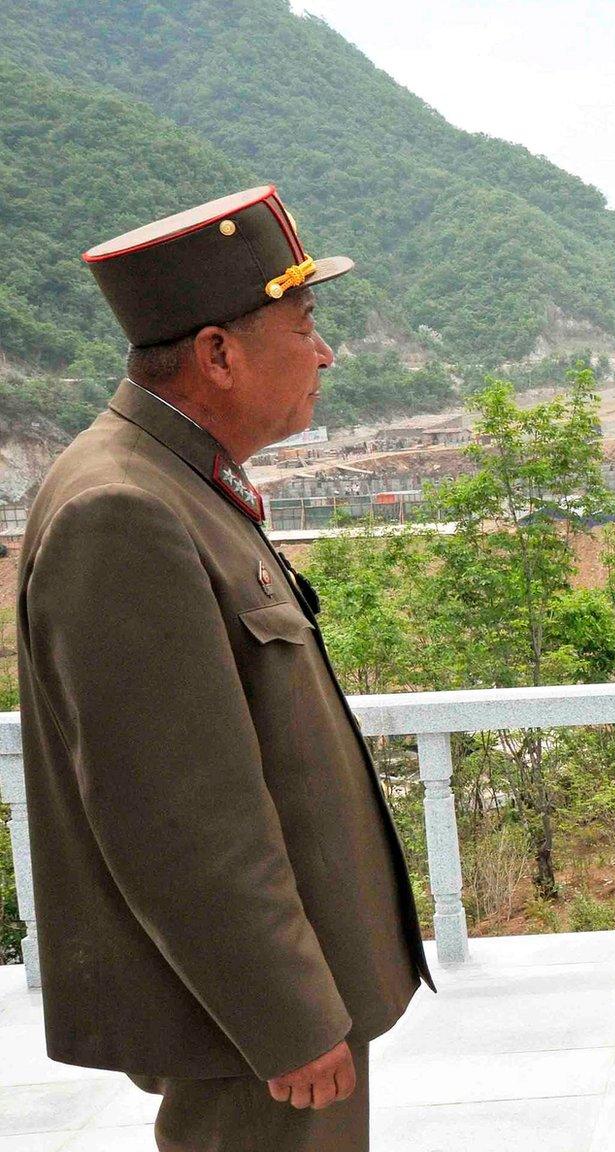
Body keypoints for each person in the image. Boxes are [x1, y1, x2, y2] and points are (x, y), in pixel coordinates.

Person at [16, 186, 430, 1151]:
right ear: (217, 353)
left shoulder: (177, 481)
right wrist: (284, 1018)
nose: (324, 354)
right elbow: (178, 816)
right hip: (255, 1035)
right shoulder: (123, 509)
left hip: (274, 1011)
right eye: (305, 324)